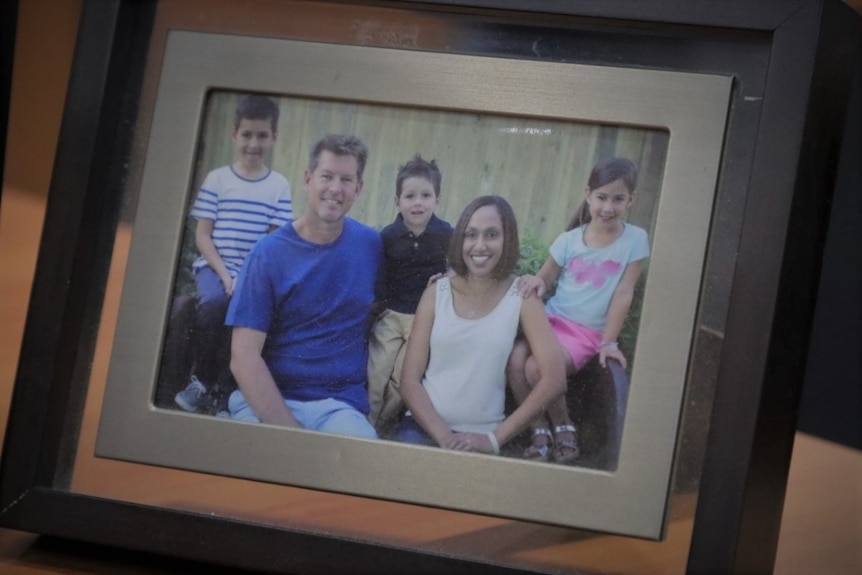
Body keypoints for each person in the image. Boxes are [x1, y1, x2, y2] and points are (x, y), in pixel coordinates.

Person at [224, 134, 382, 439]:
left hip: (338, 407)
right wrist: (291, 436)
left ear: (358, 189)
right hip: (267, 400)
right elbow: (243, 357)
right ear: (308, 179)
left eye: (346, 179)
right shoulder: (268, 254)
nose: (335, 188)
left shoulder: (370, 244)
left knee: (360, 471)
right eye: (327, 176)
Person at [396, 196, 566, 454]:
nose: (479, 245)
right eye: (470, 234)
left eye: (492, 235)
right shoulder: (437, 292)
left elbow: (554, 379)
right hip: (423, 429)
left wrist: (494, 439)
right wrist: (445, 438)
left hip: (485, 436)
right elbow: (409, 380)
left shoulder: (522, 296)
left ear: (507, 239)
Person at [509, 157, 650, 463]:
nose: (608, 207)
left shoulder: (635, 240)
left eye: (618, 199)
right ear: (588, 195)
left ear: (631, 200)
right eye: (601, 197)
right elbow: (546, 277)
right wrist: (536, 281)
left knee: (537, 369)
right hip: (551, 321)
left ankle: (563, 428)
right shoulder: (569, 240)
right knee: (516, 360)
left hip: (585, 332)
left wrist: (608, 341)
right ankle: (538, 430)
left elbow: (623, 293)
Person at [174, 94, 293, 413]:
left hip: (254, 273)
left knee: (249, 313)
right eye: (247, 135)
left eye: (262, 135)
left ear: (274, 138)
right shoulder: (218, 179)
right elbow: (203, 235)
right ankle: (199, 380)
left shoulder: (278, 185)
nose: (254, 143)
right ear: (234, 134)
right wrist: (226, 275)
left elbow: (272, 243)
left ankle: (227, 391)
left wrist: (245, 278)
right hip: (215, 268)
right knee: (215, 304)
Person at [367, 155, 453, 434]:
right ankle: (365, 420)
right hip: (391, 315)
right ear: (397, 201)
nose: (418, 203)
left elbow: (458, 269)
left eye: (426, 195)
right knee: (377, 371)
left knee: (404, 377)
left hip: (423, 320)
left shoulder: (446, 234)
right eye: (410, 196)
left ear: (437, 199)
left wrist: (447, 278)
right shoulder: (388, 236)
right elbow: (378, 277)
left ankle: (382, 425)